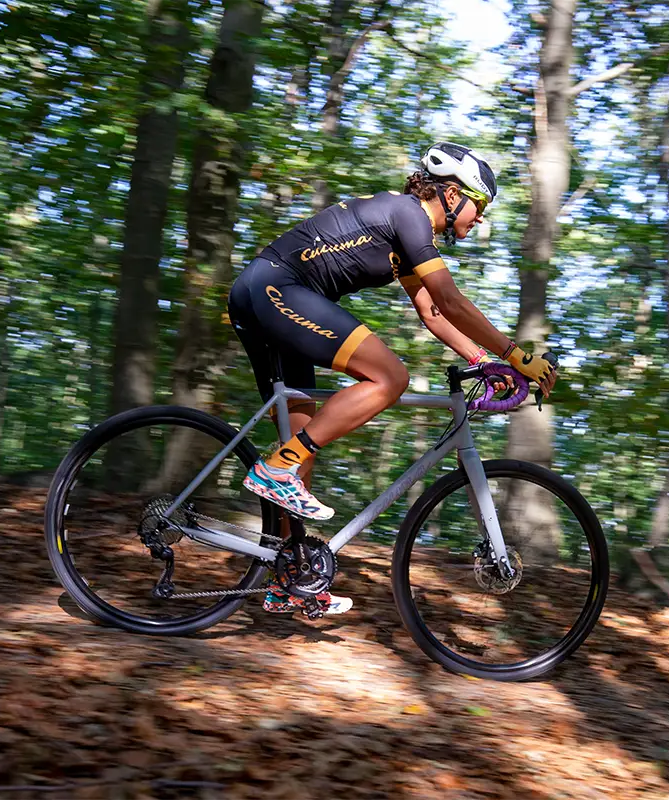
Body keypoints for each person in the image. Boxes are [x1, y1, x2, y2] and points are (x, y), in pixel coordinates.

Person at [226, 142, 557, 615]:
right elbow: (450, 298)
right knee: (389, 377)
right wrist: (516, 355)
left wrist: (483, 361)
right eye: (479, 206)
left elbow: (431, 311)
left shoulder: (405, 231)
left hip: (262, 292)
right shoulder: (409, 215)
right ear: (449, 194)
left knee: (302, 434)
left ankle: (290, 576)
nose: (480, 219)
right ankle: (277, 468)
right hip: (278, 289)